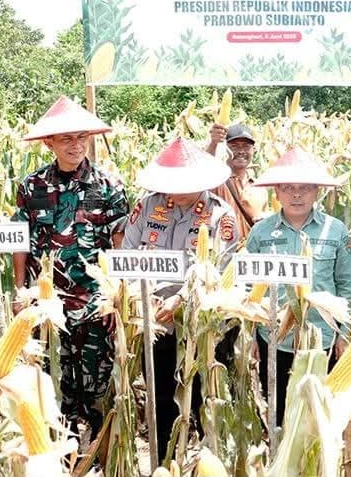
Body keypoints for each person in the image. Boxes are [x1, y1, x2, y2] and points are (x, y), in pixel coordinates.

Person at [13, 96, 129, 436]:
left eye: (81, 137)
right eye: (65, 138)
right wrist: (22, 290)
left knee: (97, 382)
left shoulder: (109, 187)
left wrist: (115, 296)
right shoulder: (31, 187)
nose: (75, 145)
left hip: (94, 301)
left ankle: (97, 450)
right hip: (48, 303)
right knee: (51, 381)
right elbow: (21, 241)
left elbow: (119, 244)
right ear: (49, 142)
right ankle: (57, 449)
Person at [122, 136, 238, 459]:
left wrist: (182, 301)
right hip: (156, 326)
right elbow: (128, 255)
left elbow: (220, 270)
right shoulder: (147, 207)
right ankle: (164, 464)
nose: (178, 188)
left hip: (202, 332)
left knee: (203, 407)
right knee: (161, 406)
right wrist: (143, 298)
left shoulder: (220, 217)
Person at [245, 146, 351, 423]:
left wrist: (344, 334)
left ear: (317, 191)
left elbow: (346, 286)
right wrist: (250, 336)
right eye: (288, 188)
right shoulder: (260, 232)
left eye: (305, 188)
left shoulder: (336, 231)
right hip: (274, 338)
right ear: (277, 193)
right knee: (279, 413)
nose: (296, 194)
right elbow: (248, 287)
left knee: (318, 417)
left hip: (323, 338)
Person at [206, 123, 269, 241]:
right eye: (234, 146)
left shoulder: (260, 188)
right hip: (223, 253)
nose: (241, 151)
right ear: (225, 149)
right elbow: (206, 169)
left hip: (250, 254)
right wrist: (213, 143)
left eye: (246, 146)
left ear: (254, 150)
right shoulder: (218, 180)